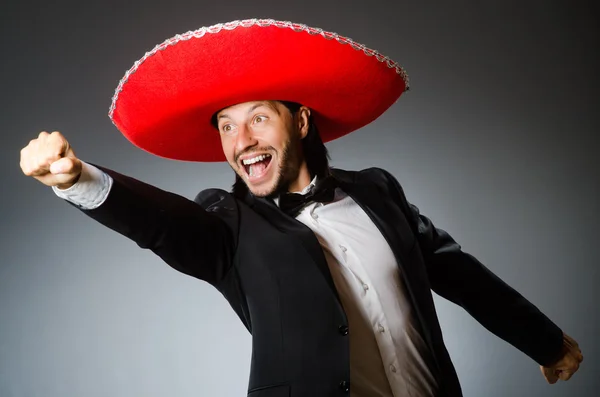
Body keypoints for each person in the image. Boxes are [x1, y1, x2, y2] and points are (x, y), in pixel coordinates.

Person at [19, 19, 582, 397]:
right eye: (226, 126)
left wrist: (546, 341)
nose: (242, 141)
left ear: (302, 121)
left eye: (259, 118)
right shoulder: (227, 223)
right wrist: (77, 179)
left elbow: (459, 272)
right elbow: (165, 225)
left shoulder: (378, 190)